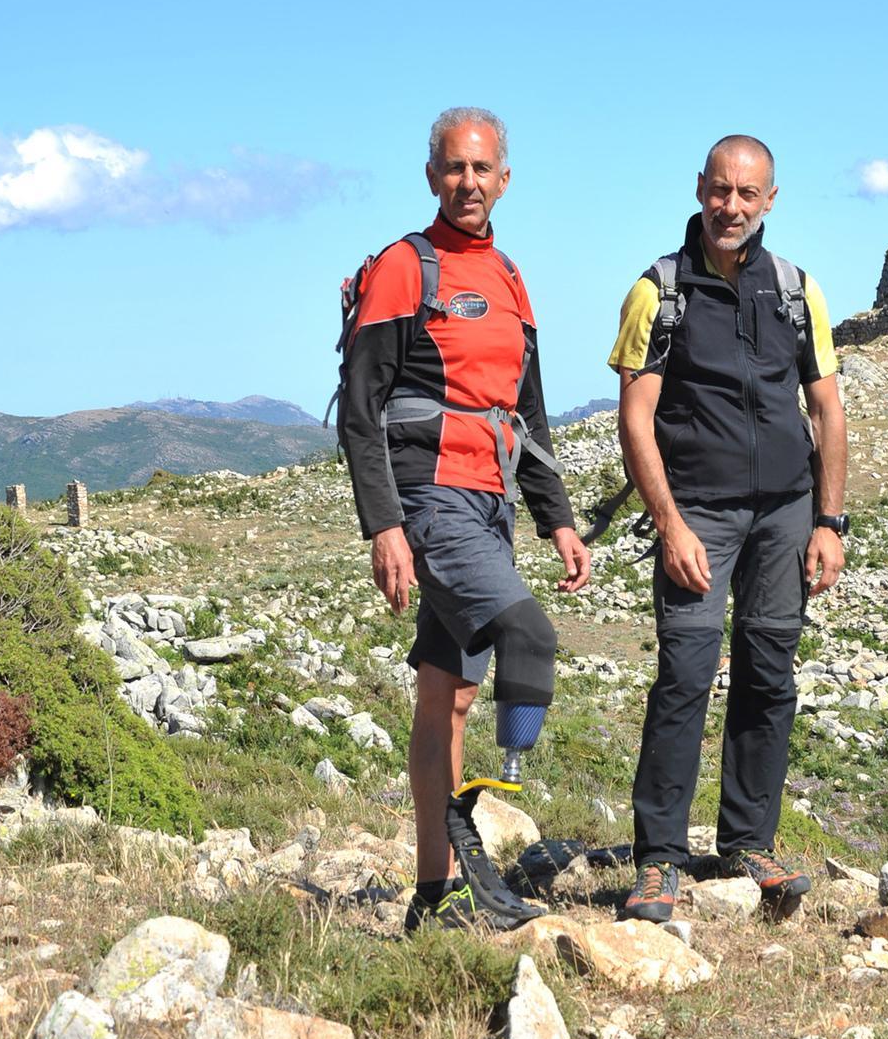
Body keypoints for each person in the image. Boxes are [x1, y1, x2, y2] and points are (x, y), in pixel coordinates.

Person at [340, 107, 590, 930]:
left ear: (505, 178)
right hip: (430, 496)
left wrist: (557, 520)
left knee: (444, 699)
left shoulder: (510, 278)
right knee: (530, 638)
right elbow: (361, 409)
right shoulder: (405, 269)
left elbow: (532, 413)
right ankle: (495, 796)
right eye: (454, 168)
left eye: (483, 170)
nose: (469, 183)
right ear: (431, 176)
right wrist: (385, 526)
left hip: (492, 501)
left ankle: (432, 895)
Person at [607, 134, 848, 922]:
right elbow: (635, 419)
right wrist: (669, 523)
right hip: (697, 513)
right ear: (699, 188)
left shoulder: (795, 290)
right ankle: (659, 860)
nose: (731, 207)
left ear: (770, 200)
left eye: (748, 195)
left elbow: (827, 409)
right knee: (683, 674)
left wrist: (829, 521)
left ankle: (749, 841)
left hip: (785, 511)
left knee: (769, 674)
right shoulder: (659, 291)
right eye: (720, 191)